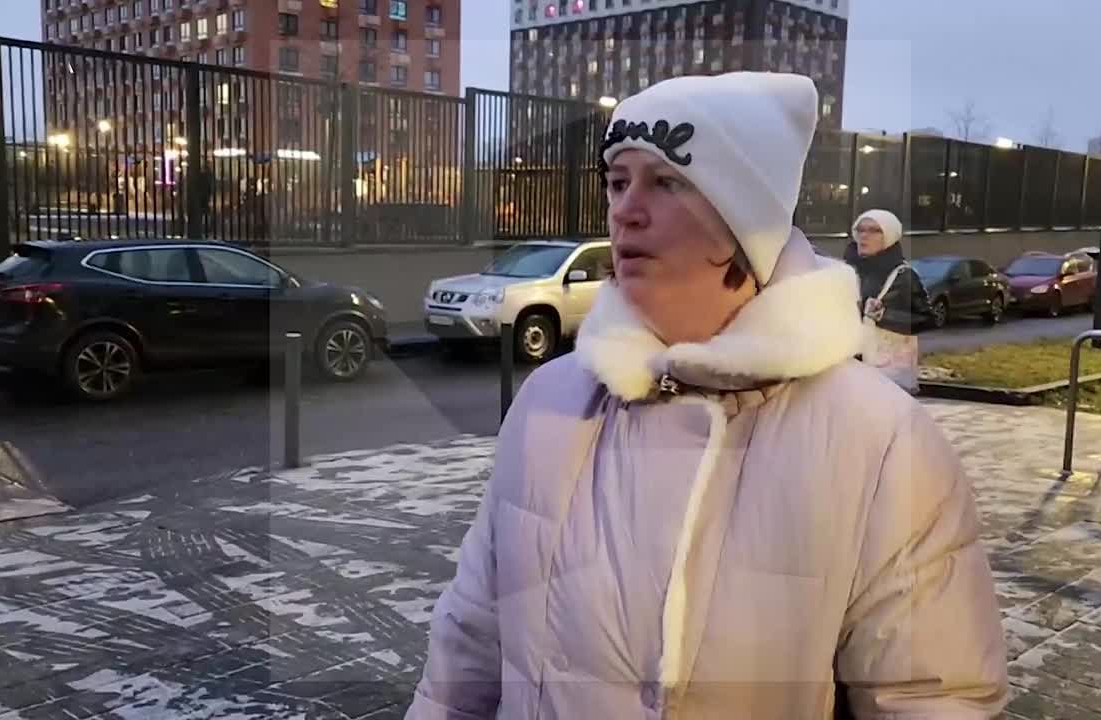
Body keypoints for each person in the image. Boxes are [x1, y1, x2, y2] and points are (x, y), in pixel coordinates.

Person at [406, 72, 1007, 719]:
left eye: (667, 182)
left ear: (742, 220)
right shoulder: (549, 401)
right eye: (617, 181)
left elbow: (933, 697)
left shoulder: (880, 439)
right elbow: (470, 644)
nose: (625, 210)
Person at [844, 209, 932, 393]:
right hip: (847, 367)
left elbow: (926, 320)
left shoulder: (903, 276)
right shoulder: (845, 270)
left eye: (874, 230)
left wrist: (884, 315)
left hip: (886, 372)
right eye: (860, 229)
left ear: (889, 236)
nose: (864, 236)